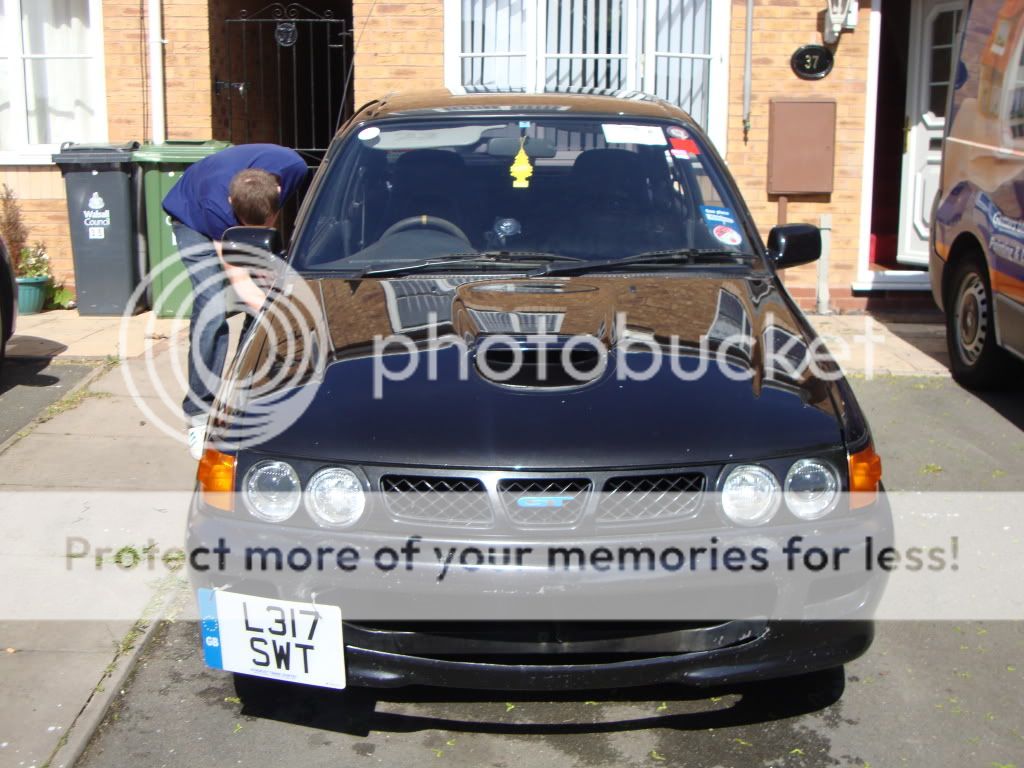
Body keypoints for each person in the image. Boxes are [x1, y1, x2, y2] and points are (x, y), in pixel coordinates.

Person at [162, 144, 308, 459]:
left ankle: (245, 389)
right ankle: (198, 413)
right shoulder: (216, 210)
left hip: (235, 206)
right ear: (232, 204)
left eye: (267, 223)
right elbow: (240, 281)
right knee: (213, 304)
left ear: (278, 193)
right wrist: (281, 316)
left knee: (270, 291)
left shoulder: (294, 168)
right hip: (192, 219)